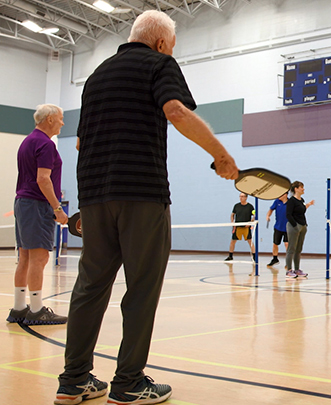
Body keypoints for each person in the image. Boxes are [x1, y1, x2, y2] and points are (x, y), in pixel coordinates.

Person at [56, 10, 238, 405]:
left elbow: (80, 143)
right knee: (141, 289)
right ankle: (129, 383)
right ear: (160, 43)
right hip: (141, 192)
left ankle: (73, 381)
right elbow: (176, 111)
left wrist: (90, 197)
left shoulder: (97, 76)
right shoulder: (160, 64)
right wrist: (221, 155)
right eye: (171, 45)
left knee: (90, 286)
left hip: (94, 194)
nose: (171, 51)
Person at [8, 104, 68, 326]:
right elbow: (43, 179)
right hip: (36, 204)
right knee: (39, 258)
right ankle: (35, 311)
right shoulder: (45, 144)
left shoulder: (28, 141)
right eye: (60, 118)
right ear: (50, 119)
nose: (63, 122)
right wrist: (57, 208)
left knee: (25, 257)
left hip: (23, 203)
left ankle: (19, 308)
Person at [285, 181, 315, 278]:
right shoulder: (291, 201)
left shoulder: (301, 199)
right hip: (294, 226)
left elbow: (302, 211)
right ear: (296, 189)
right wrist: (295, 226)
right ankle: (289, 270)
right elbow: (288, 214)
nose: (303, 189)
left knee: (299, 249)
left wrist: (308, 205)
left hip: (303, 226)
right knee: (291, 249)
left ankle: (297, 269)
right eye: (301, 187)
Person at [226, 192, 255, 261]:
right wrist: (232, 222)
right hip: (237, 227)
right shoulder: (236, 206)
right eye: (240, 196)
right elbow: (232, 214)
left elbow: (254, 215)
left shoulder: (250, 206)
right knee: (233, 241)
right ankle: (230, 256)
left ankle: (254, 256)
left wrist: (250, 223)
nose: (241, 198)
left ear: (246, 197)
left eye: (242, 196)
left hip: (246, 227)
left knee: (250, 241)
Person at [266, 192, 289, 266]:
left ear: (285, 195)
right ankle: (275, 259)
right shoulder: (277, 201)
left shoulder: (290, 203)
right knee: (275, 244)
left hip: (288, 228)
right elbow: (271, 209)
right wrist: (268, 216)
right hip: (278, 227)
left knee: (287, 244)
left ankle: (288, 261)